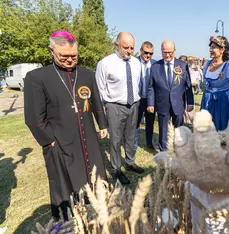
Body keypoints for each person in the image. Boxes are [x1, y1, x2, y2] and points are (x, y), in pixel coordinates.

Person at [24, 31, 108, 221]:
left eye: (74, 55)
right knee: (64, 183)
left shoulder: (87, 74)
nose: (70, 60)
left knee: (94, 176)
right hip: (59, 140)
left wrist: (102, 124)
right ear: (51, 51)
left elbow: (96, 101)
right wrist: (49, 140)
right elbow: (34, 117)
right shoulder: (37, 77)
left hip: (87, 135)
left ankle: (94, 211)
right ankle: (67, 221)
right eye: (64, 56)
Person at [95, 32, 144, 185]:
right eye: (125, 47)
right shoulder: (105, 63)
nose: (129, 51)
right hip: (114, 106)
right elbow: (99, 88)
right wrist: (104, 110)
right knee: (115, 139)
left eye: (132, 48)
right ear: (117, 44)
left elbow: (138, 85)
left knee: (130, 136)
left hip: (133, 105)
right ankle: (116, 169)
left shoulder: (136, 63)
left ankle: (130, 162)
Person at [147, 40, 194, 151]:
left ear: (174, 51)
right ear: (161, 51)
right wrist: (150, 103)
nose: (167, 55)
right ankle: (165, 155)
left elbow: (188, 86)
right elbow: (151, 87)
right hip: (162, 104)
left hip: (178, 104)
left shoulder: (183, 65)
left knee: (179, 131)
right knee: (163, 132)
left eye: (170, 52)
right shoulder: (155, 67)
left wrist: (190, 102)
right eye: (165, 52)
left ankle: (179, 152)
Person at [200, 36, 229, 131]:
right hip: (207, 100)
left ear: (222, 50)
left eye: (213, 47)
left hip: (222, 102)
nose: (210, 50)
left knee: (222, 130)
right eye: (210, 47)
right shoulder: (207, 64)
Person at [134, 41, 157, 151]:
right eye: (146, 52)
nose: (148, 55)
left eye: (150, 53)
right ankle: (133, 145)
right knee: (135, 124)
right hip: (137, 98)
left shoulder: (155, 64)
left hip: (150, 99)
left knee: (150, 122)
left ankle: (149, 142)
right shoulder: (133, 62)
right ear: (141, 51)